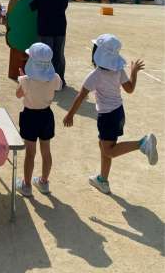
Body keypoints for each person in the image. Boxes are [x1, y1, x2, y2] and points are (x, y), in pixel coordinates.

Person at [63, 34, 158, 194]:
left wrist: (70, 114)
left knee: (109, 150)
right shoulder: (119, 70)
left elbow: (81, 96)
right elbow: (130, 89)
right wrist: (134, 72)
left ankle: (142, 143)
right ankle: (102, 180)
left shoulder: (95, 75)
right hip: (118, 113)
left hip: (107, 117)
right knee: (103, 145)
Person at [15, 43, 62, 197]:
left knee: (30, 153)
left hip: (30, 116)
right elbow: (58, 87)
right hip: (46, 115)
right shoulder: (54, 78)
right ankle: (44, 182)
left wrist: (21, 79)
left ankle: (26, 185)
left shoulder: (26, 80)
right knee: (46, 151)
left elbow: (18, 95)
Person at [30, 0, 68, 87]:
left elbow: (31, 7)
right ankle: (60, 81)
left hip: (45, 29)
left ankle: (46, 80)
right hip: (60, 29)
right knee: (59, 55)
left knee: (45, 56)